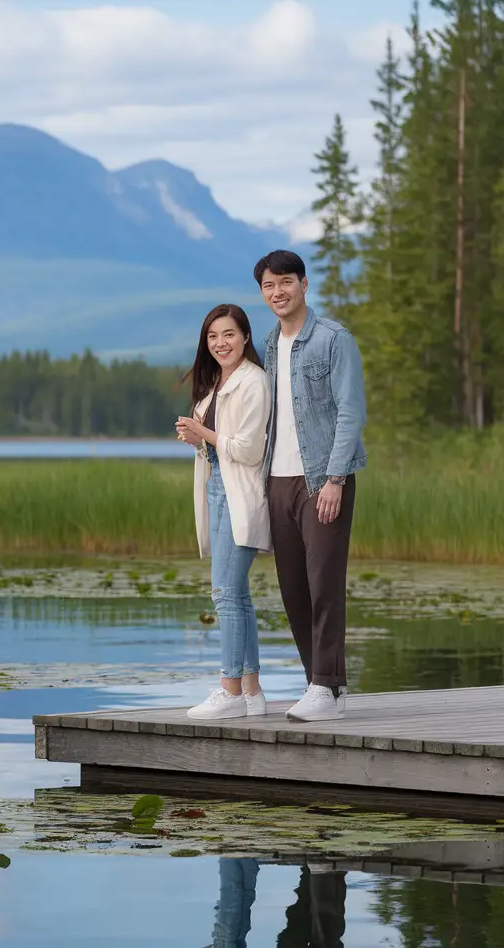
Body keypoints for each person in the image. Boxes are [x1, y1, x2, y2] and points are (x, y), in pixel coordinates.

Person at [254, 250, 366, 723]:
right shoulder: (268, 345)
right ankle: (320, 685)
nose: (277, 292)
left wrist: (335, 478)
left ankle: (326, 686)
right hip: (277, 481)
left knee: (324, 585)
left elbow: (351, 411)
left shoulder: (333, 339)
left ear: (303, 284)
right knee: (293, 587)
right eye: (268, 286)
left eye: (285, 282)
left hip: (323, 478)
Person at [176, 304, 272, 720]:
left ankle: (229, 690)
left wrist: (205, 433)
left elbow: (250, 451)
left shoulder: (255, 381)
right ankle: (252, 692)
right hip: (217, 487)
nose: (221, 343)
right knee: (238, 594)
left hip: (241, 493)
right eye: (213, 337)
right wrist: (195, 439)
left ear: (245, 337)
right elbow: (217, 447)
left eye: (229, 334)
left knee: (225, 594)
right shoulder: (216, 382)